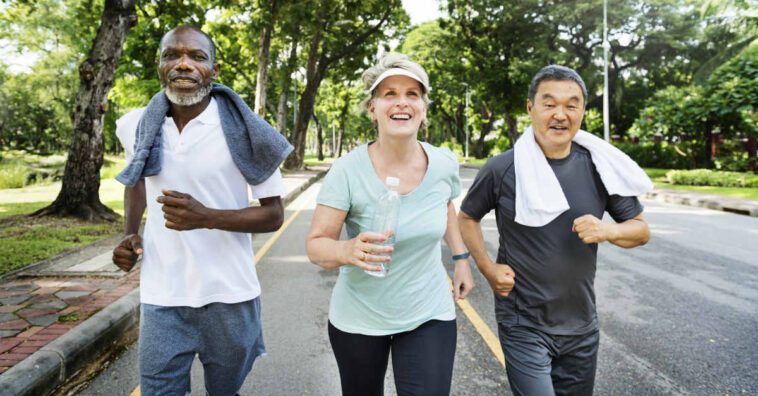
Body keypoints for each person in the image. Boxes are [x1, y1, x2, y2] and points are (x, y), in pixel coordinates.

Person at [111, 25, 293, 396]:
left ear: (214, 69)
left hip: (229, 296)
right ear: (159, 64)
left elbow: (274, 215)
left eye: (196, 56)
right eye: (172, 55)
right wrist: (131, 233)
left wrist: (207, 217)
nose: (183, 64)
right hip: (162, 295)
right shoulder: (135, 125)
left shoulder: (247, 131)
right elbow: (137, 180)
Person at [458, 65, 652, 396]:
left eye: (571, 104)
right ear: (530, 108)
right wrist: (488, 268)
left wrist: (608, 231)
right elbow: (467, 217)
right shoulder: (502, 168)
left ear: (582, 111)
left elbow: (641, 230)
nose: (560, 114)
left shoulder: (599, 166)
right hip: (523, 322)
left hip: (581, 325)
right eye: (549, 104)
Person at [305, 53, 475, 396]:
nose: (402, 102)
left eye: (412, 94)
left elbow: (445, 206)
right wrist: (347, 249)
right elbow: (316, 245)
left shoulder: (443, 163)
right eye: (390, 94)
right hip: (359, 317)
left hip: (429, 311)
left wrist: (460, 260)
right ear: (373, 108)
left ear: (423, 108)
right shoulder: (347, 170)